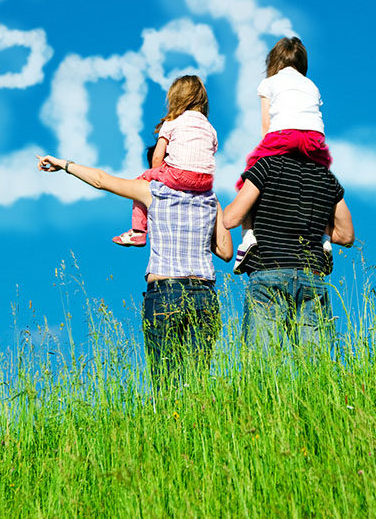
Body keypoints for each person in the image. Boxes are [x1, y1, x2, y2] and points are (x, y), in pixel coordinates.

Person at [37, 150, 233, 386]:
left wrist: (63, 164)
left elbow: (101, 180)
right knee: (199, 383)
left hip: (165, 292)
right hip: (204, 294)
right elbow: (225, 251)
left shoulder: (153, 191)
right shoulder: (210, 198)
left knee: (166, 383)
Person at [222, 151, 354, 352]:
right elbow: (346, 236)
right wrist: (313, 227)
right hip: (312, 278)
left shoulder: (265, 166)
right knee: (315, 370)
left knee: (262, 365)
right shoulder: (326, 177)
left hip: (269, 275)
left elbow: (230, 219)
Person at [234, 37, 334, 272]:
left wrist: (265, 158)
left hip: (282, 134)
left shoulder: (269, 83)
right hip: (313, 138)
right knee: (322, 183)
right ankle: (325, 240)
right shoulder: (312, 85)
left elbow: (266, 125)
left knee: (249, 178)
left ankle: (248, 236)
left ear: (274, 61)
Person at [113, 75, 217, 247]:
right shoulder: (210, 128)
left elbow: (156, 158)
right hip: (206, 181)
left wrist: (157, 178)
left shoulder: (172, 122)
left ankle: (138, 232)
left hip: (179, 175)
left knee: (141, 181)